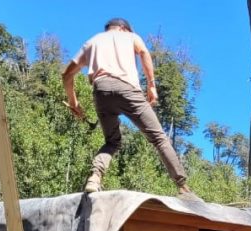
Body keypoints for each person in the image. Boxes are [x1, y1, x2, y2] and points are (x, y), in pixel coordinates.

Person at [62, 18, 195, 197]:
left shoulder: (92, 42)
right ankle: (183, 187)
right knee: (159, 138)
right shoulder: (131, 37)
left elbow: (67, 74)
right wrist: (151, 85)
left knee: (112, 141)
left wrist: (74, 102)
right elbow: (144, 53)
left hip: (101, 90)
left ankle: (95, 177)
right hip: (128, 89)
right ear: (124, 28)